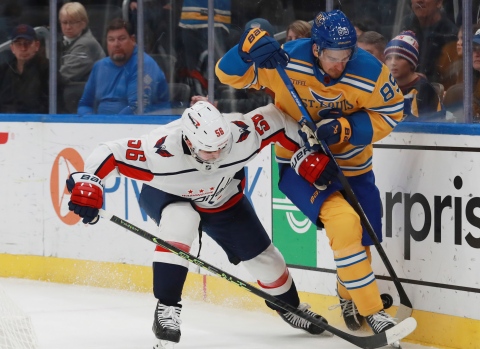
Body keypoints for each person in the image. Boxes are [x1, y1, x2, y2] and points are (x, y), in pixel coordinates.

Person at [65, 100, 332, 348]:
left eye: (222, 147)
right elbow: (108, 152)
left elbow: (279, 120)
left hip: (223, 199)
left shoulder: (240, 133)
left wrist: (307, 151)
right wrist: (90, 181)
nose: (217, 154)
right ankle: (167, 308)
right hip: (168, 195)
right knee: (181, 220)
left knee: (268, 261)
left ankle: (291, 308)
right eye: (208, 150)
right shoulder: (158, 151)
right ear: (189, 142)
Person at [216, 9, 408, 338]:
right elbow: (228, 75)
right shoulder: (286, 60)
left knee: (362, 239)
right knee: (344, 223)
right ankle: (374, 312)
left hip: (354, 166)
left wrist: (347, 128)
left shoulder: (370, 71)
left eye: (347, 54)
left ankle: (348, 296)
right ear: (317, 49)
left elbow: (392, 113)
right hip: (298, 165)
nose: (341, 64)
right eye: (334, 56)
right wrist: (244, 52)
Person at [78, 18, 170, 115]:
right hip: (103, 126)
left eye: (122, 39)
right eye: (111, 40)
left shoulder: (143, 64)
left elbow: (136, 108)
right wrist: (90, 122)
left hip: (140, 126)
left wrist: (109, 125)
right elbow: (85, 104)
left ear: (133, 40)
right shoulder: (99, 67)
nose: (116, 44)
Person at [384, 31, 443, 121]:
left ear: (412, 63)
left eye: (399, 57)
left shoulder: (424, 90)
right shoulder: (385, 86)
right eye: (389, 58)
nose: (392, 63)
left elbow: (422, 128)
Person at [401, 0, 458, 83]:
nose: (419, 1)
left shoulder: (450, 35)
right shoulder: (405, 26)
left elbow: (447, 78)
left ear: (438, 3)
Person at [0, 23, 48, 113]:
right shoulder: (3, 71)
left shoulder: (47, 70)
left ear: (37, 45)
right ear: (12, 48)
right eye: (18, 44)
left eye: (28, 43)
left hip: (38, 123)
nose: (23, 48)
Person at [58, 2, 105, 84]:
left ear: (83, 24)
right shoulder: (65, 41)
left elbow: (62, 76)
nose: (68, 27)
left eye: (72, 22)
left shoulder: (85, 45)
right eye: (64, 22)